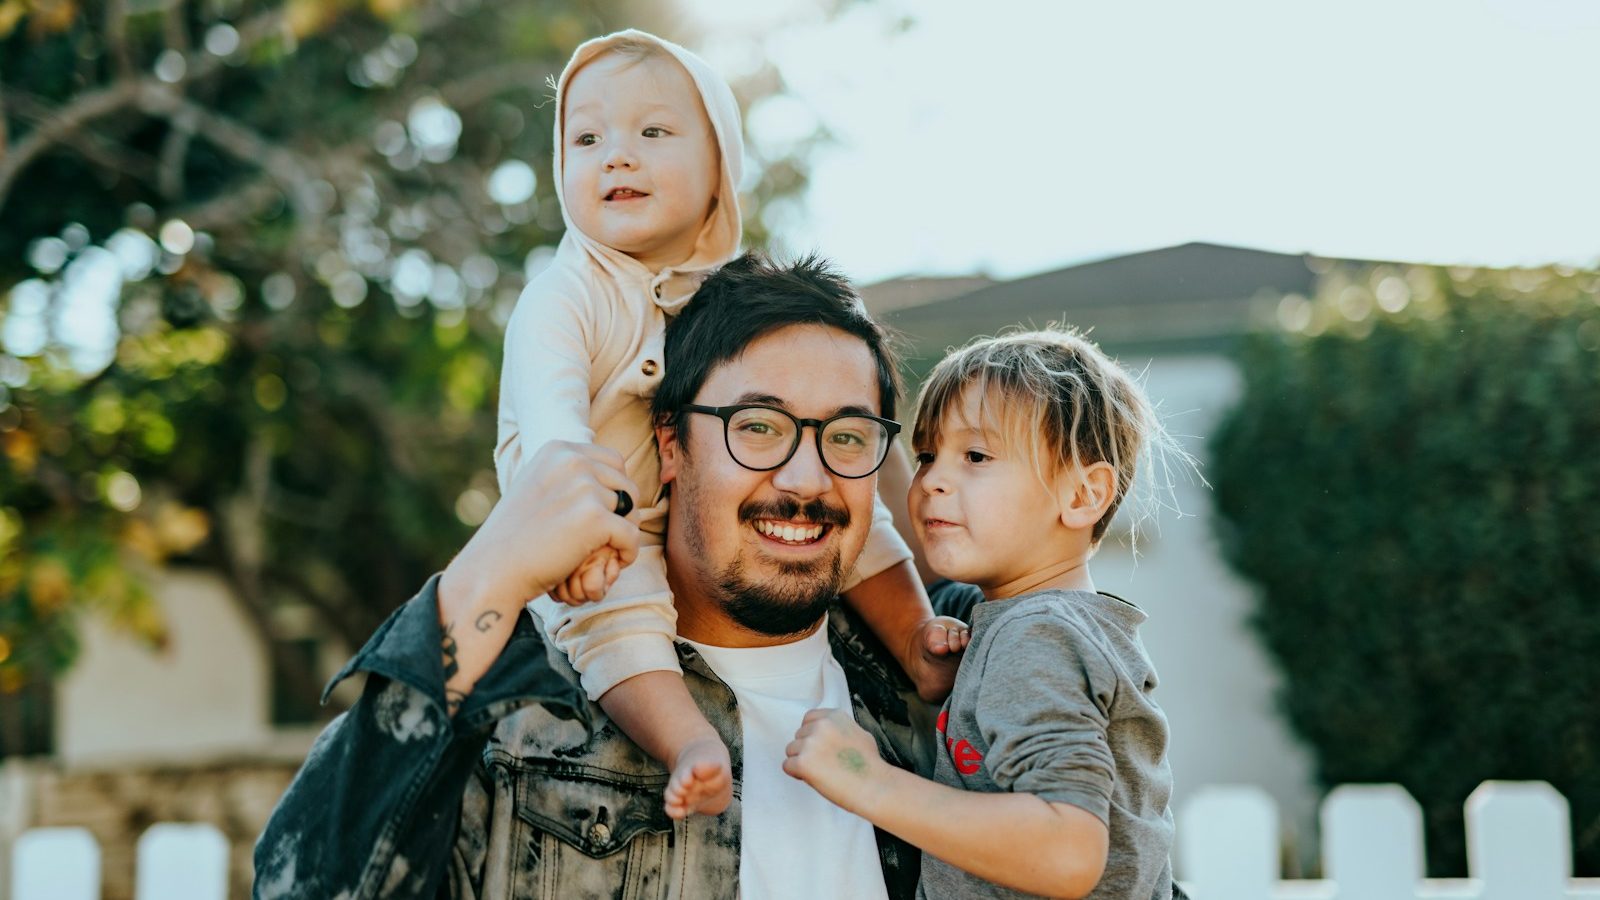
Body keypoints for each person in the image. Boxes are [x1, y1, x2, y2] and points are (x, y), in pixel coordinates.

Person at [254, 254, 944, 900]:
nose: (806, 478)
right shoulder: (525, 717)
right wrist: (488, 572)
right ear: (669, 443)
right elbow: (306, 884)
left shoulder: (950, 698)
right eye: (758, 427)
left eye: (846, 437)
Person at [494, 28, 962, 821]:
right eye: (587, 138)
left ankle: (917, 641)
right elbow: (553, 432)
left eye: (652, 132)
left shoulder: (729, 300)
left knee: (859, 513)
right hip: (593, 531)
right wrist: (580, 534)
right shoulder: (566, 294)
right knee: (619, 624)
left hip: (666, 513)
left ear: (721, 170)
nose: (617, 155)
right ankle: (688, 742)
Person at [784, 329, 1188, 899]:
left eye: (976, 456)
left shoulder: (1036, 638)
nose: (932, 481)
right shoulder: (1027, 622)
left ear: (1082, 495)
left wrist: (869, 782)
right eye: (926, 455)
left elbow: (1068, 851)